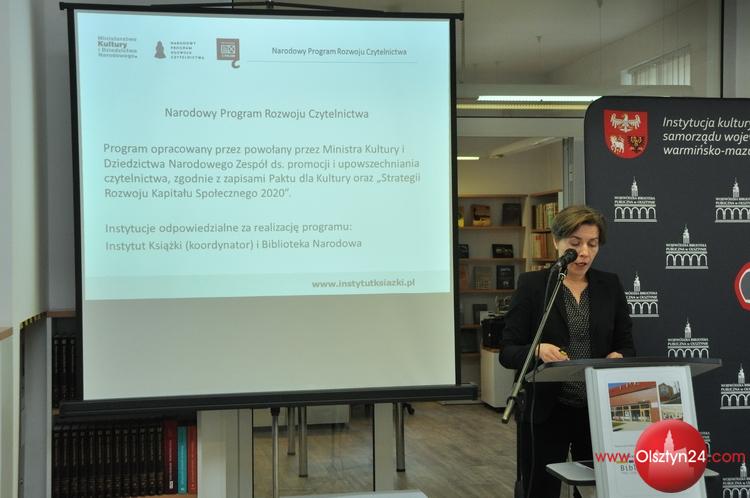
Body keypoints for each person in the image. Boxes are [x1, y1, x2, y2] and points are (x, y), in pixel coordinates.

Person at [499, 205, 635, 498]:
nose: (584, 252)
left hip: (596, 411)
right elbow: (507, 351)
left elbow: (626, 344)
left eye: (592, 244)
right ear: (556, 242)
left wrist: (619, 357)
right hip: (547, 411)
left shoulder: (609, 285)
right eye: (575, 244)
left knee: (594, 489)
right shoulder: (534, 286)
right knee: (540, 490)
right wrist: (537, 349)